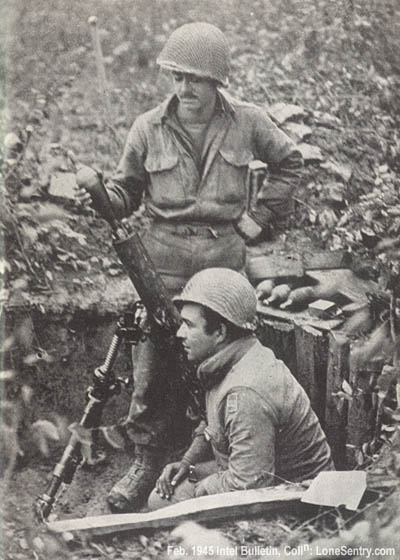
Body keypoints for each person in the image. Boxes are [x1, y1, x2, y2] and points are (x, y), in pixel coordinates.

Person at [76, 21, 303, 513]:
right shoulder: (147, 127)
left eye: (195, 79)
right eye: (177, 78)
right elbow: (126, 193)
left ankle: (218, 455)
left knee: (227, 360)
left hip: (224, 266)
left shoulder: (248, 121)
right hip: (162, 266)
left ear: (217, 81)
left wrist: (258, 218)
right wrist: (99, 196)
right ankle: (147, 461)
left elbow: (290, 163)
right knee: (154, 364)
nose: (185, 89)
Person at [147, 268, 334, 510]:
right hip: (266, 472)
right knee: (164, 495)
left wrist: (200, 489)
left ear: (220, 332)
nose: (180, 333)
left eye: (189, 325)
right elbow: (215, 425)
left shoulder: (245, 393)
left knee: (165, 505)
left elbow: (250, 487)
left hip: (303, 500)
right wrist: (188, 462)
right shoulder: (234, 359)